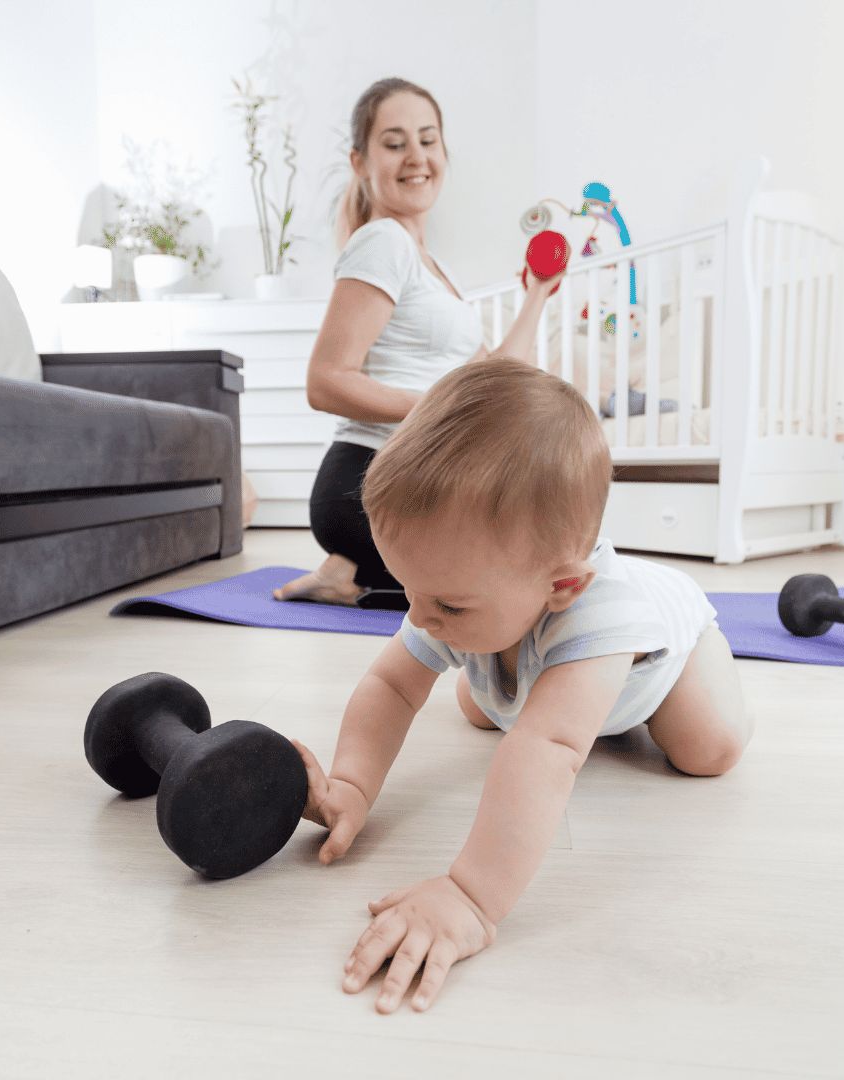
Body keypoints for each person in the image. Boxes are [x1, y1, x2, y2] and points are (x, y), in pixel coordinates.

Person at [290, 359, 753, 1014]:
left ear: (562, 586)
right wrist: (352, 785)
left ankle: (697, 674)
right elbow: (391, 685)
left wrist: (471, 895)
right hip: (522, 640)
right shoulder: (454, 592)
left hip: (660, 660)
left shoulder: (603, 614)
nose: (418, 617)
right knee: (485, 708)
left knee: (709, 748)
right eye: (407, 587)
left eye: (444, 604)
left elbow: (548, 755)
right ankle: (516, 683)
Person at [273, 78, 565, 609]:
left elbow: (489, 379)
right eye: (395, 143)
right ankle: (359, 568)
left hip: (420, 483)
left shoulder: (434, 268)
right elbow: (326, 382)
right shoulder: (382, 242)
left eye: (428, 140)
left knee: (545, 559)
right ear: (360, 162)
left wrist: (538, 293)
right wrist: (440, 412)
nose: (416, 156)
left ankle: (349, 573)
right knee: (523, 581)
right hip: (368, 483)